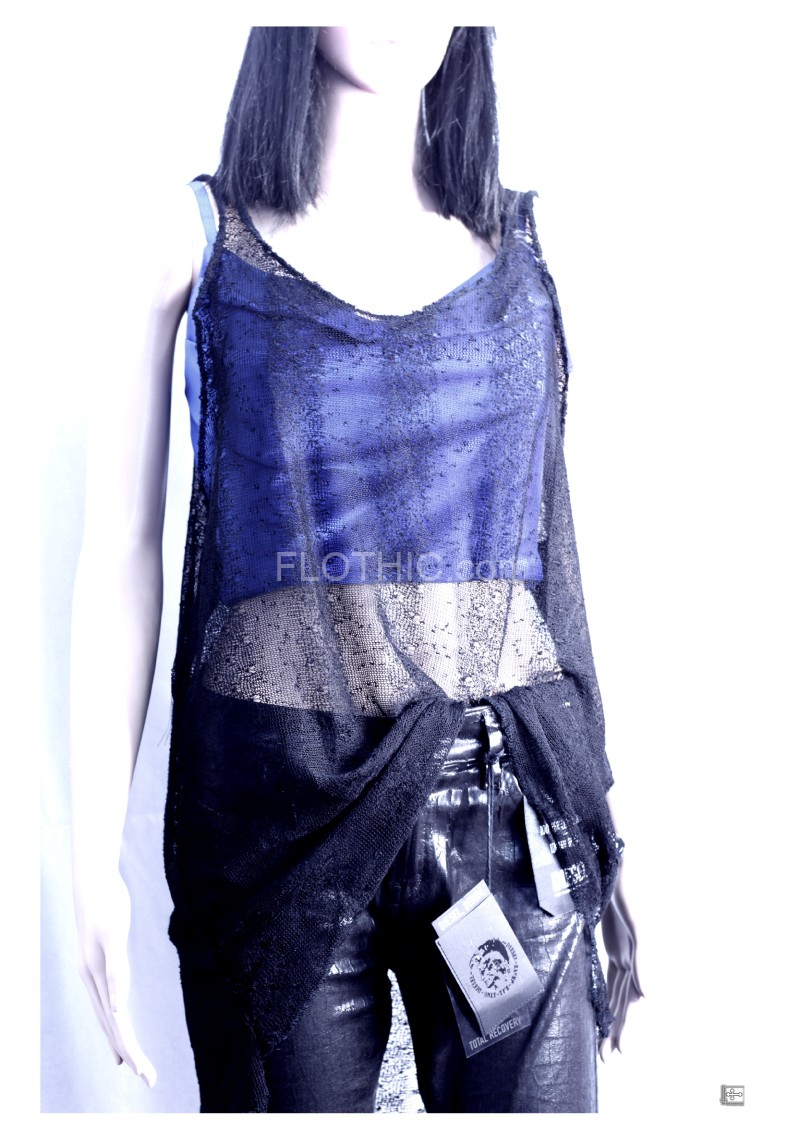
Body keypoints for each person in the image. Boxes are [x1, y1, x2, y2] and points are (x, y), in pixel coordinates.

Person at [70, 25, 642, 1114]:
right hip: (278, 827)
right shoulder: (195, 243)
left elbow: (555, 560)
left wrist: (609, 826)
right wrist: (90, 860)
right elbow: (120, 555)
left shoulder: (528, 251)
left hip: (507, 808)